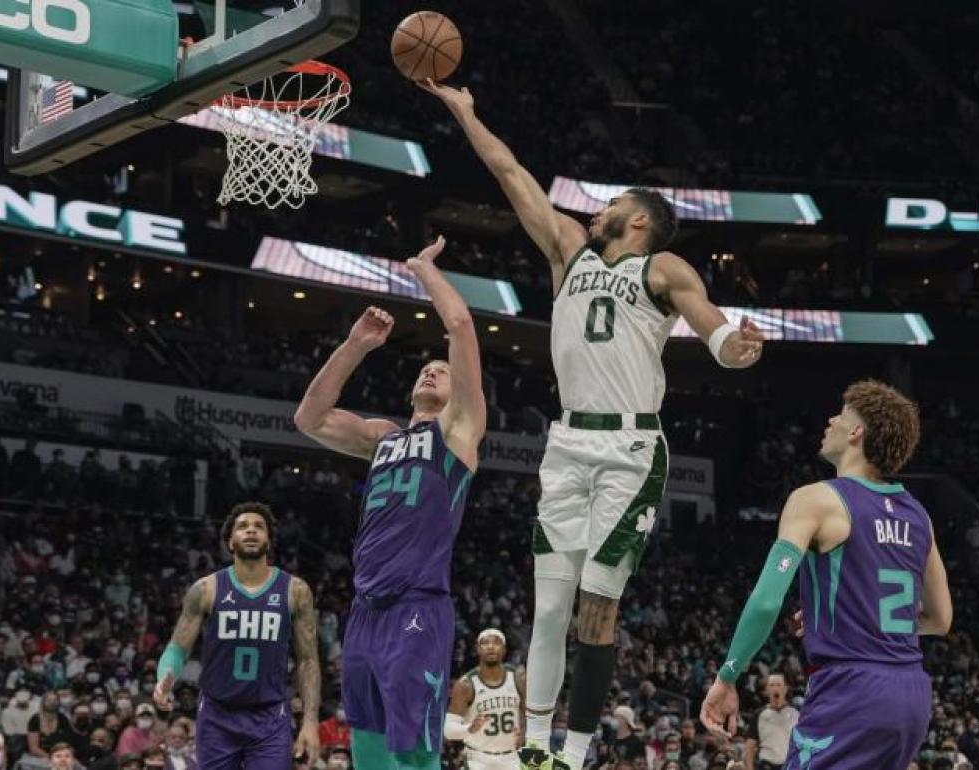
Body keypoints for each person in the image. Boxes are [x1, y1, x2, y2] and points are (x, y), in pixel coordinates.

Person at [421, 81, 765, 770]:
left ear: (638, 220)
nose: (598, 209)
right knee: (548, 612)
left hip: (631, 447)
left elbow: (711, 323)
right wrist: (465, 113)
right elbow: (510, 172)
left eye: (612, 203)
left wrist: (734, 345)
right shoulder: (567, 252)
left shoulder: (660, 265)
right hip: (569, 442)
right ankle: (533, 749)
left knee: (595, 612)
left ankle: (575, 754)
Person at [293, 236, 487, 770]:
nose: (430, 371)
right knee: (369, 750)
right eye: (423, 369)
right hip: (365, 612)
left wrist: (424, 271)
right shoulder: (383, 437)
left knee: (414, 753)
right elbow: (308, 419)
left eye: (441, 370)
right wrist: (355, 346)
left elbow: (462, 328)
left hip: (417, 608)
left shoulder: (457, 433)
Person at [700, 380, 953, 770]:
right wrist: (853, 619)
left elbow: (767, 601)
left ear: (856, 432)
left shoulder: (816, 499)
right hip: (912, 695)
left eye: (841, 415)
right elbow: (940, 619)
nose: (831, 420)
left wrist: (728, 675)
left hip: (851, 691)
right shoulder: (918, 515)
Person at [152, 502, 322, 770]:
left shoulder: (296, 590)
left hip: (270, 716)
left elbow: (308, 661)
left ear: (269, 540)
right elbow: (178, 647)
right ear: (230, 542)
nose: (251, 531)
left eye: (259, 527)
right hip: (217, 715)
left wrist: (310, 722)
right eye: (242, 527)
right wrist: (166, 676)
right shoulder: (206, 589)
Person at [445, 629, 526, 770]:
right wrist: (469, 728)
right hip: (478, 760)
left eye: (496, 643)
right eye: (485, 643)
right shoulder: (465, 685)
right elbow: (448, 731)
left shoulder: (518, 678)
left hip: (513, 758)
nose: (490, 646)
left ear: (504, 649)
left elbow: (532, 714)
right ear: (478, 649)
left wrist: (526, 732)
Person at [743, 675, 798, 770]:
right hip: (766, 764)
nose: (775, 688)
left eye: (779, 685)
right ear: (767, 690)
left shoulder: (796, 713)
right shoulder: (758, 714)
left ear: (785, 689)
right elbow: (750, 746)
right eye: (772, 685)